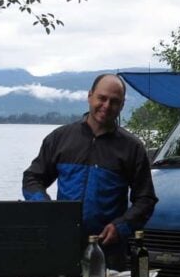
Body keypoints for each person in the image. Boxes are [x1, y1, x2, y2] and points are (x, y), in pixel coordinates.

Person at [22, 73, 157, 266]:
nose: (107, 106)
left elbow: (146, 199)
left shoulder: (132, 148)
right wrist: (46, 208)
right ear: (90, 96)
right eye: (102, 98)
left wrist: (122, 227)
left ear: (122, 105)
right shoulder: (60, 138)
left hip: (109, 252)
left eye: (114, 101)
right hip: (63, 244)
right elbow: (32, 178)